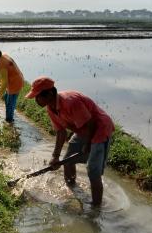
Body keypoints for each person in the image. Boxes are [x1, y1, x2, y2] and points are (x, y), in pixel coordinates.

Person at [25, 76, 115, 206]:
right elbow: (61, 132)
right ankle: (72, 188)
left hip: (99, 129)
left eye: (38, 96)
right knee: (67, 160)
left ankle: (96, 208)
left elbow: (90, 123)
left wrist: (88, 144)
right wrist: (55, 157)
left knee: (93, 170)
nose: (36, 100)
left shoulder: (70, 102)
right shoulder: (51, 108)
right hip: (82, 129)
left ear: (49, 94)